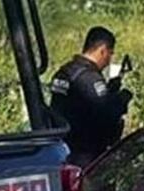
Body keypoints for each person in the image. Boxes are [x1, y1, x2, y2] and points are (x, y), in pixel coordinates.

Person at [49, 26, 133, 166]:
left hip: (64, 149)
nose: (109, 61)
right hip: (86, 155)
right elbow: (107, 113)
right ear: (102, 50)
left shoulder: (65, 72)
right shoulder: (89, 77)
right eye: (110, 54)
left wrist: (110, 89)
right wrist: (122, 98)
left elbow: (80, 103)